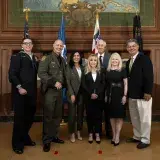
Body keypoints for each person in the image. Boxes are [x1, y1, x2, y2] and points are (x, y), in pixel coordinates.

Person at [8, 38, 37, 154]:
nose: (28, 45)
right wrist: (19, 87)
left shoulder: (34, 58)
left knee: (29, 117)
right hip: (20, 93)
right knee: (19, 119)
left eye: (30, 43)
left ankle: (24, 137)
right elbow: (12, 74)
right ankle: (17, 144)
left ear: (32, 45)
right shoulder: (17, 57)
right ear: (22, 45)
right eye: (26, 43)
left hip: (32, 94)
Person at [38, 39, 66, 152]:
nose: (59, 47)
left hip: (59, 92)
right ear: (53, 46)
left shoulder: (63, 59)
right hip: (50, 91)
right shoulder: (47, 58)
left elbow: (64, 74)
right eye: (57, 45)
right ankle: (46, 141)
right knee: (48, 116)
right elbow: (41, 73)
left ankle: (54, 136)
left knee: (57, 116)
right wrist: (53, 82)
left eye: (61, 45)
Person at [126, 39, 153, 149]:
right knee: (135, 118)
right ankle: (137, 136)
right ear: (127, 49)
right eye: (129, 46)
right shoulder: (128, 62)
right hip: (132, 95)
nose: (131, 48)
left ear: (137, 47)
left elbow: (149, 75)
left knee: (144, 118)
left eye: (133, 46)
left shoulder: (144, 59)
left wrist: (148, 91)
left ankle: (145, 140)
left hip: (143, 95)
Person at [82, 54, 105, 144]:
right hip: (89, 98)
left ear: (97, 62)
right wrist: (90, 94)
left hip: (99, 98)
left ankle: (98, 133)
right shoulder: (85, 72)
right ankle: (91, 133)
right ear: (89, 61)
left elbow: (103, 84)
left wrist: (97, 93)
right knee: (90, 116)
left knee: (98, 117)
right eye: (91, 60)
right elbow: (84, 85)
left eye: (95, 60)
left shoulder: (101, 72)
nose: (93, 62)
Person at [105, 53, 128, 146]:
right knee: (112, 116)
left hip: (120, 95)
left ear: (119, 60)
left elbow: (126, 83)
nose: (114, 61)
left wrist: (125, 95)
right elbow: (106, 84)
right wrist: (106, 95)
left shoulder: (122, 70)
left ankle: (117, 136)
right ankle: (114, 135)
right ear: (111, 60)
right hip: (110, 95)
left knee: (119, 116)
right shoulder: (108, 70)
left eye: (116, 59)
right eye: (113, 59)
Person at [66, 52, 84, 143]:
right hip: (72, 94)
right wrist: (72, 94)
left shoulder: (83, 67)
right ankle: (72, 133)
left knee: (80, 114)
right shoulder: (68, 67)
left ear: (80, 57)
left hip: (81, 95)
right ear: (72, 57)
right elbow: (68, 82)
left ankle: (79, 132)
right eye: (75, 56)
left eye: (78, 56)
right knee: (72, 115)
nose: (76, 57)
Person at [96, 39, 112, 139]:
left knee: (108, 112)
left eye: (102, 45)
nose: (100, 47)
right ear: (96, 46)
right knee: (97, 111)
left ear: (105, 47)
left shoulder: (110, 57)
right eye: (99, 45)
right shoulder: (93, 58)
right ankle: (97, 131)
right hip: (97, 89)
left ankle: (109, 131)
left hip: (108, 89)